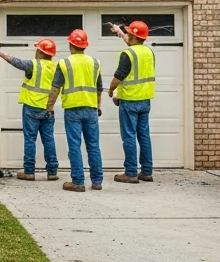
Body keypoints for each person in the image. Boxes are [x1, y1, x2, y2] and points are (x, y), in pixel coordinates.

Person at [0, 39, 61, 181]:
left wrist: (1, 53)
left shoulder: (34, 65)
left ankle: (29, 171)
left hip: (32, 108)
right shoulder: (56, 67)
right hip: (48, 109)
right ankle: (52, 172)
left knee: (30, 139)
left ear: (40, 52)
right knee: (48, 139)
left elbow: (16, 62)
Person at [108, 21, 156, 184]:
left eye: (129, 33)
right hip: (145, 101)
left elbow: (118, 77)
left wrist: (111, 90)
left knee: (129, 136)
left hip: (129, 101)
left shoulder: (127, 54)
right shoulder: (148, 52)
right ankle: (147, 172)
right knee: (144, 136)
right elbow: (132, 44)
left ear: (134, 36)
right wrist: (119, 32)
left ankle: (130, 173)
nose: (127, 35)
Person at [56, 29, 103, 192]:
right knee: (93, 146)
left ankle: (78, 181)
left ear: (70, 44)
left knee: (74, 146)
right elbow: (99, 89)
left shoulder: (64, 63)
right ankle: (97, 181)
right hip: (91, 109)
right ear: (85, 46)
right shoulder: (95, 62)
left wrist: (49, 107)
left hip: (72, 110)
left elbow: (55, 88)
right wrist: (98, 106)